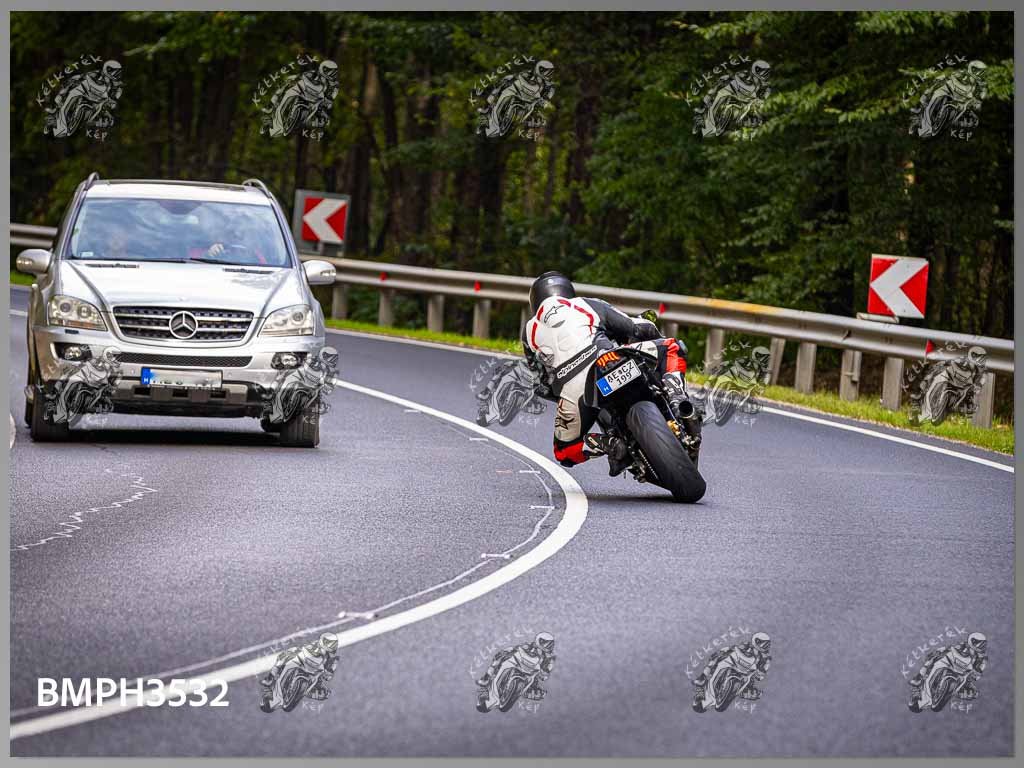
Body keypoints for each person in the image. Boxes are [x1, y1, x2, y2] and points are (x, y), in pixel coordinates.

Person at [521, 271, 699, 472]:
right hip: (608, 359)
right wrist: (651, 334)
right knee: (672, 347)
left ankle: (609, 444)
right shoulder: (585, 304)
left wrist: (563, 394)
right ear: (567, 290)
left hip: (575, 391)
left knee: (564, 452)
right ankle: (678, 400)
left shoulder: (529, 332)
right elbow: (637, 328)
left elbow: (541, 384)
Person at [260, 632, 340, 710]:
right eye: (330, 643)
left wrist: (327, 673)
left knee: (324, 693)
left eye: (333, 644)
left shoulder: (333, 659)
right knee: (284, 656)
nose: (331, 646)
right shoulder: (314, 645)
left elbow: (328, 675)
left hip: (315, 673)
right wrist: (296, 652)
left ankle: (306, 692)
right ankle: (270, 677)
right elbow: (301, 648)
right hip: (302, 662)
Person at [908, 632, 987, 712]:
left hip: (964, 672)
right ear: (972, 640)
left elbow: (980, 669)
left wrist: (976, 673)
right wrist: (940, 651)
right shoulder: (962, 644)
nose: (980, 646)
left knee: (974, 693)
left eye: (982, 644)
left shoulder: (982, 657)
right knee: (934, 656)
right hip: (949, 662)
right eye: (978, 643)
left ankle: (953, 693)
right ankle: (919, 676)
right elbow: (949, 648)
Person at [476, 632, 556, 702]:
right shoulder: (529, 645)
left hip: (532, 671)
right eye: (545, 642)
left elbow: (548, 668)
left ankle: (523, 691)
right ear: (539, 640)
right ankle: (486, 678)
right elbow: (516, 648)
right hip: (519, 664)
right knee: (500, 657)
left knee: (538, 689)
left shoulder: (550, 657)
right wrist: (506, 651)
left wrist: (544, 672)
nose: (547, 645)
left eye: (550, 644)